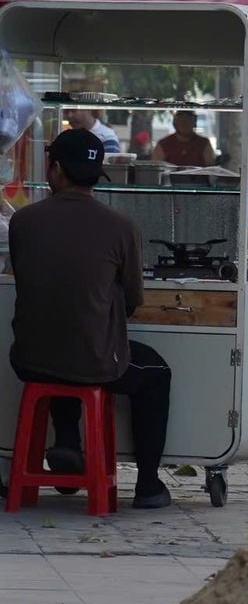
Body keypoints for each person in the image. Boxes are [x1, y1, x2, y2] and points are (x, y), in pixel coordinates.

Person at [6, 130, 172, 508]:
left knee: (66, 342)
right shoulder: (121, 225)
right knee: (153, 371)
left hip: (29, 359)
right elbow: (132, 301)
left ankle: (67, 442)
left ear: (57, 169)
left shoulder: (23, 221)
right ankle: (147, 484)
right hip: (92, 360)